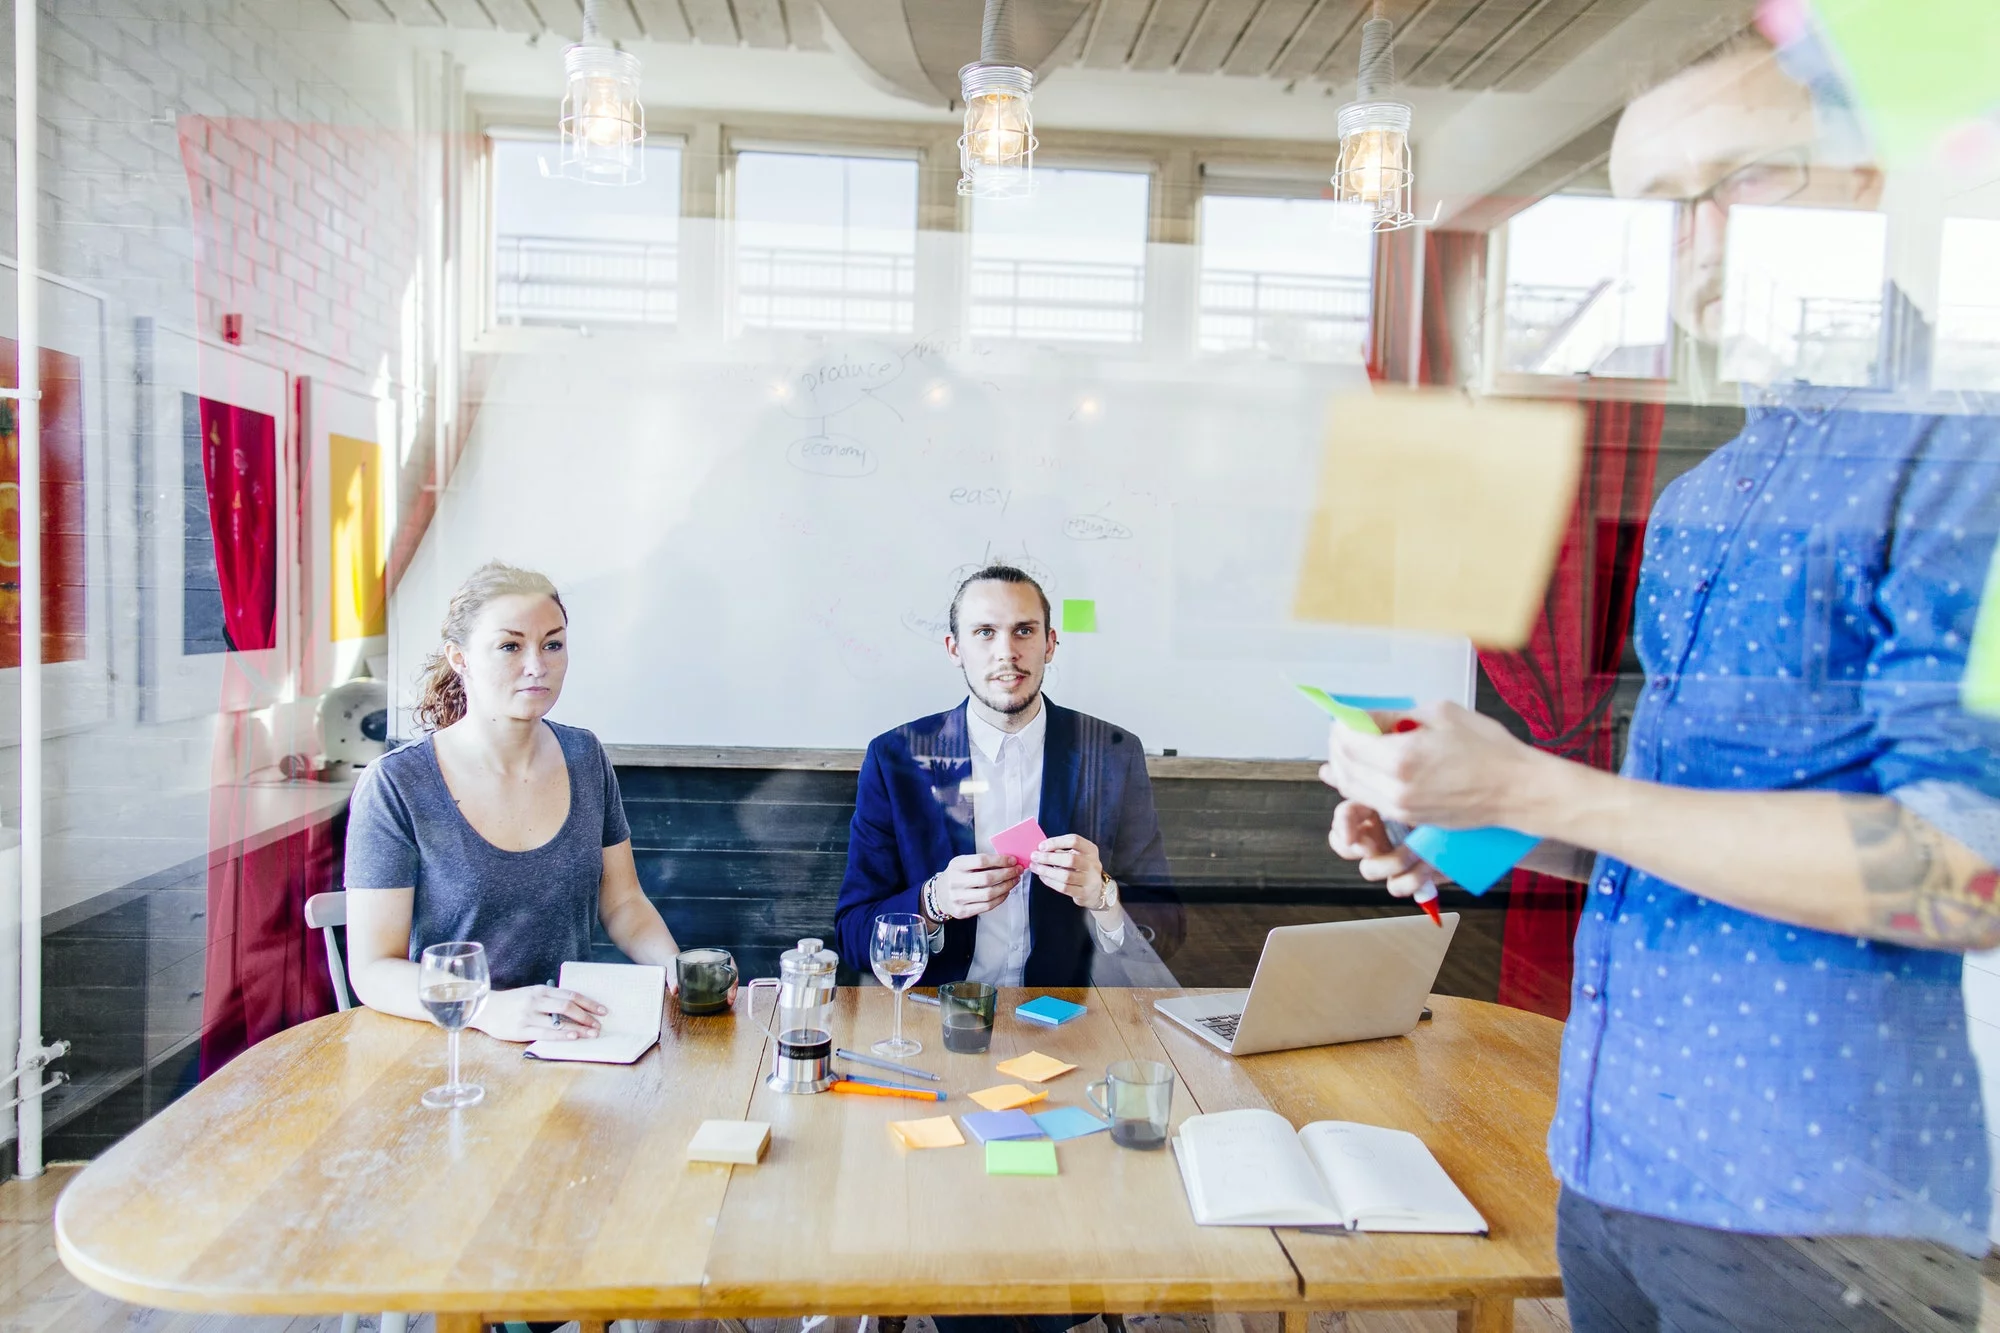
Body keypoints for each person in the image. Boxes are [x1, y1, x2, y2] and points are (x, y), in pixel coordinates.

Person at [1320, 41, 2000, 1333]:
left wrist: (1534, 776)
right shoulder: (1702, 499)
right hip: (1610, 1164)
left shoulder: (1970, 458)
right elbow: (1677, 829)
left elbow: (1960, 873)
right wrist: (1488, 824)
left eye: (1740, 182)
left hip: (1815, 1205)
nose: (1693, 245)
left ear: (1877, 190)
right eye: (1658, 208)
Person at [345, 560, 690, 1043]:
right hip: (450, 1045)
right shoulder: (397, 784)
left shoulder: (584, 755)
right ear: (459, 658)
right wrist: (487, 1008)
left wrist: (677, 968)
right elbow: (373, 969)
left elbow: (625, 903)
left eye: (553, 644)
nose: (538, 665)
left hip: (569, 1037)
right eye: (510, 646)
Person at [835, 562, 1172, 989]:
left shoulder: (1112, 754)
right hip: (938, 1015)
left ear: (1050, 644)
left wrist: (1103, 896)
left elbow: (1169, 930)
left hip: (1069, 1017)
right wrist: (933, 901)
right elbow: (852, 935)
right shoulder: (895, 758)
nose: (1006, 652)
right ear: (954, 648)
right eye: (984, 633)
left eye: (1024, 631)